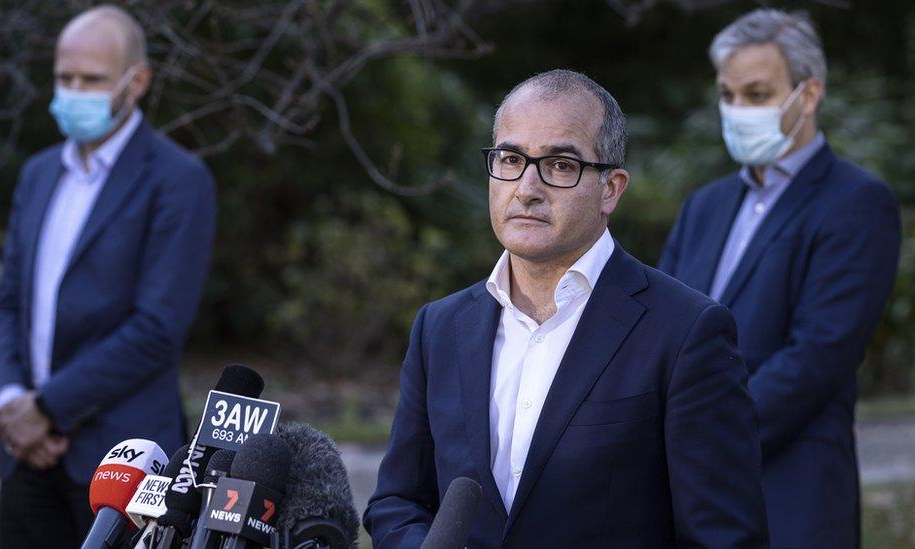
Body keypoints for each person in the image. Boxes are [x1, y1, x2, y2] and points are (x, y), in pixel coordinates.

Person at [364, 69, 768, 548]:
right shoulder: (440, 327)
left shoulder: (686, 333)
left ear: (611, 188)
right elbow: (398, 502)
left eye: (559, 165)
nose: (527, 187)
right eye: (511, 158)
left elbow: (723, 539)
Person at [659, 9, 901, 548]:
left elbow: (816, 356)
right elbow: (659, 328)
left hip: (790, 497)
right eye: (728, 94)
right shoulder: (705, 205)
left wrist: (700, 435)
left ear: (808, 94)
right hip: (685, 500)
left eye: (757, 94)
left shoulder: (857, 203)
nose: (738, 110)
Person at [0, 5, 216, 548]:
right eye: (63, 78)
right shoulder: (39, 172)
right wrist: (8, 402)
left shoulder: (179, 180)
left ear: (136, 82)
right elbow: (9, 305)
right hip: (24, 460)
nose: (72, 92)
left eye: (90, 80)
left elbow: (157, 328)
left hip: (128, 461)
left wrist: (44, 410)